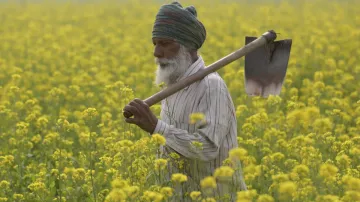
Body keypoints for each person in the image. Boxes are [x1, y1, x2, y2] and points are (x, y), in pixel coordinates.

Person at [123, 2, 247, 201]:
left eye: (164, 43)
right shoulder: (172, 87)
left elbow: (207, 148)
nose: (156, 52)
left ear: (186, 45)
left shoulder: (210, 86)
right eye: (154, 43)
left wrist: (156, 127)